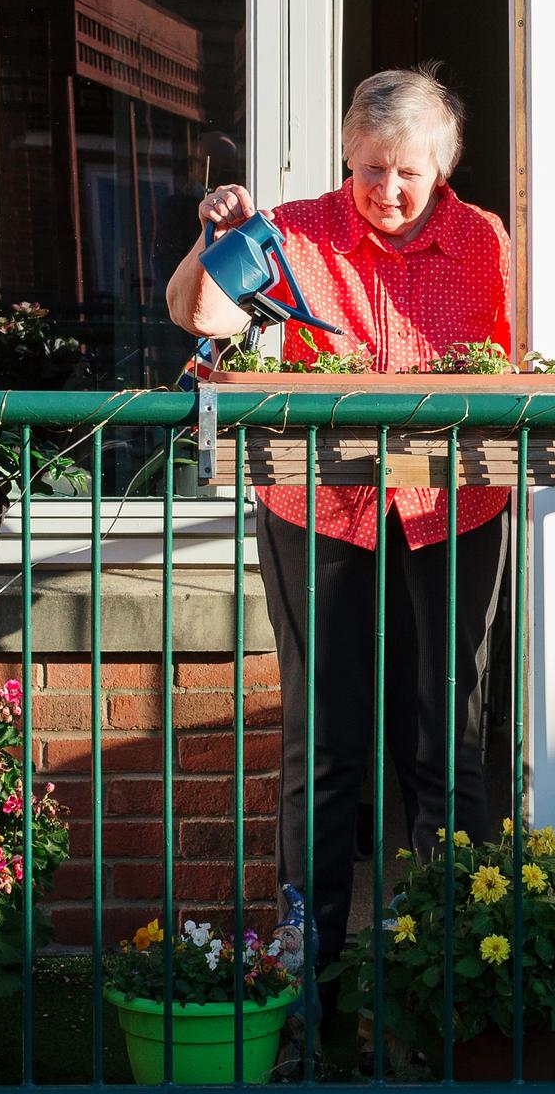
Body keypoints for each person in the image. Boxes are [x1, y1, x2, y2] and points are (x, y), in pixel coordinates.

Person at [165, 68, 515, 977]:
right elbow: (192, 315)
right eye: (370, 170)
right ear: (347, 158)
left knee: (448, 739)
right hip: (318, 501)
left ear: (443, 165)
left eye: (409, 171)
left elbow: (498, 373)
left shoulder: (482, 240)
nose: (388, 191)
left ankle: (459, 976)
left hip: (451, 502)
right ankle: (305, 983)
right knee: (323, 743)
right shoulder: (296, 229)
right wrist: (220, 241)